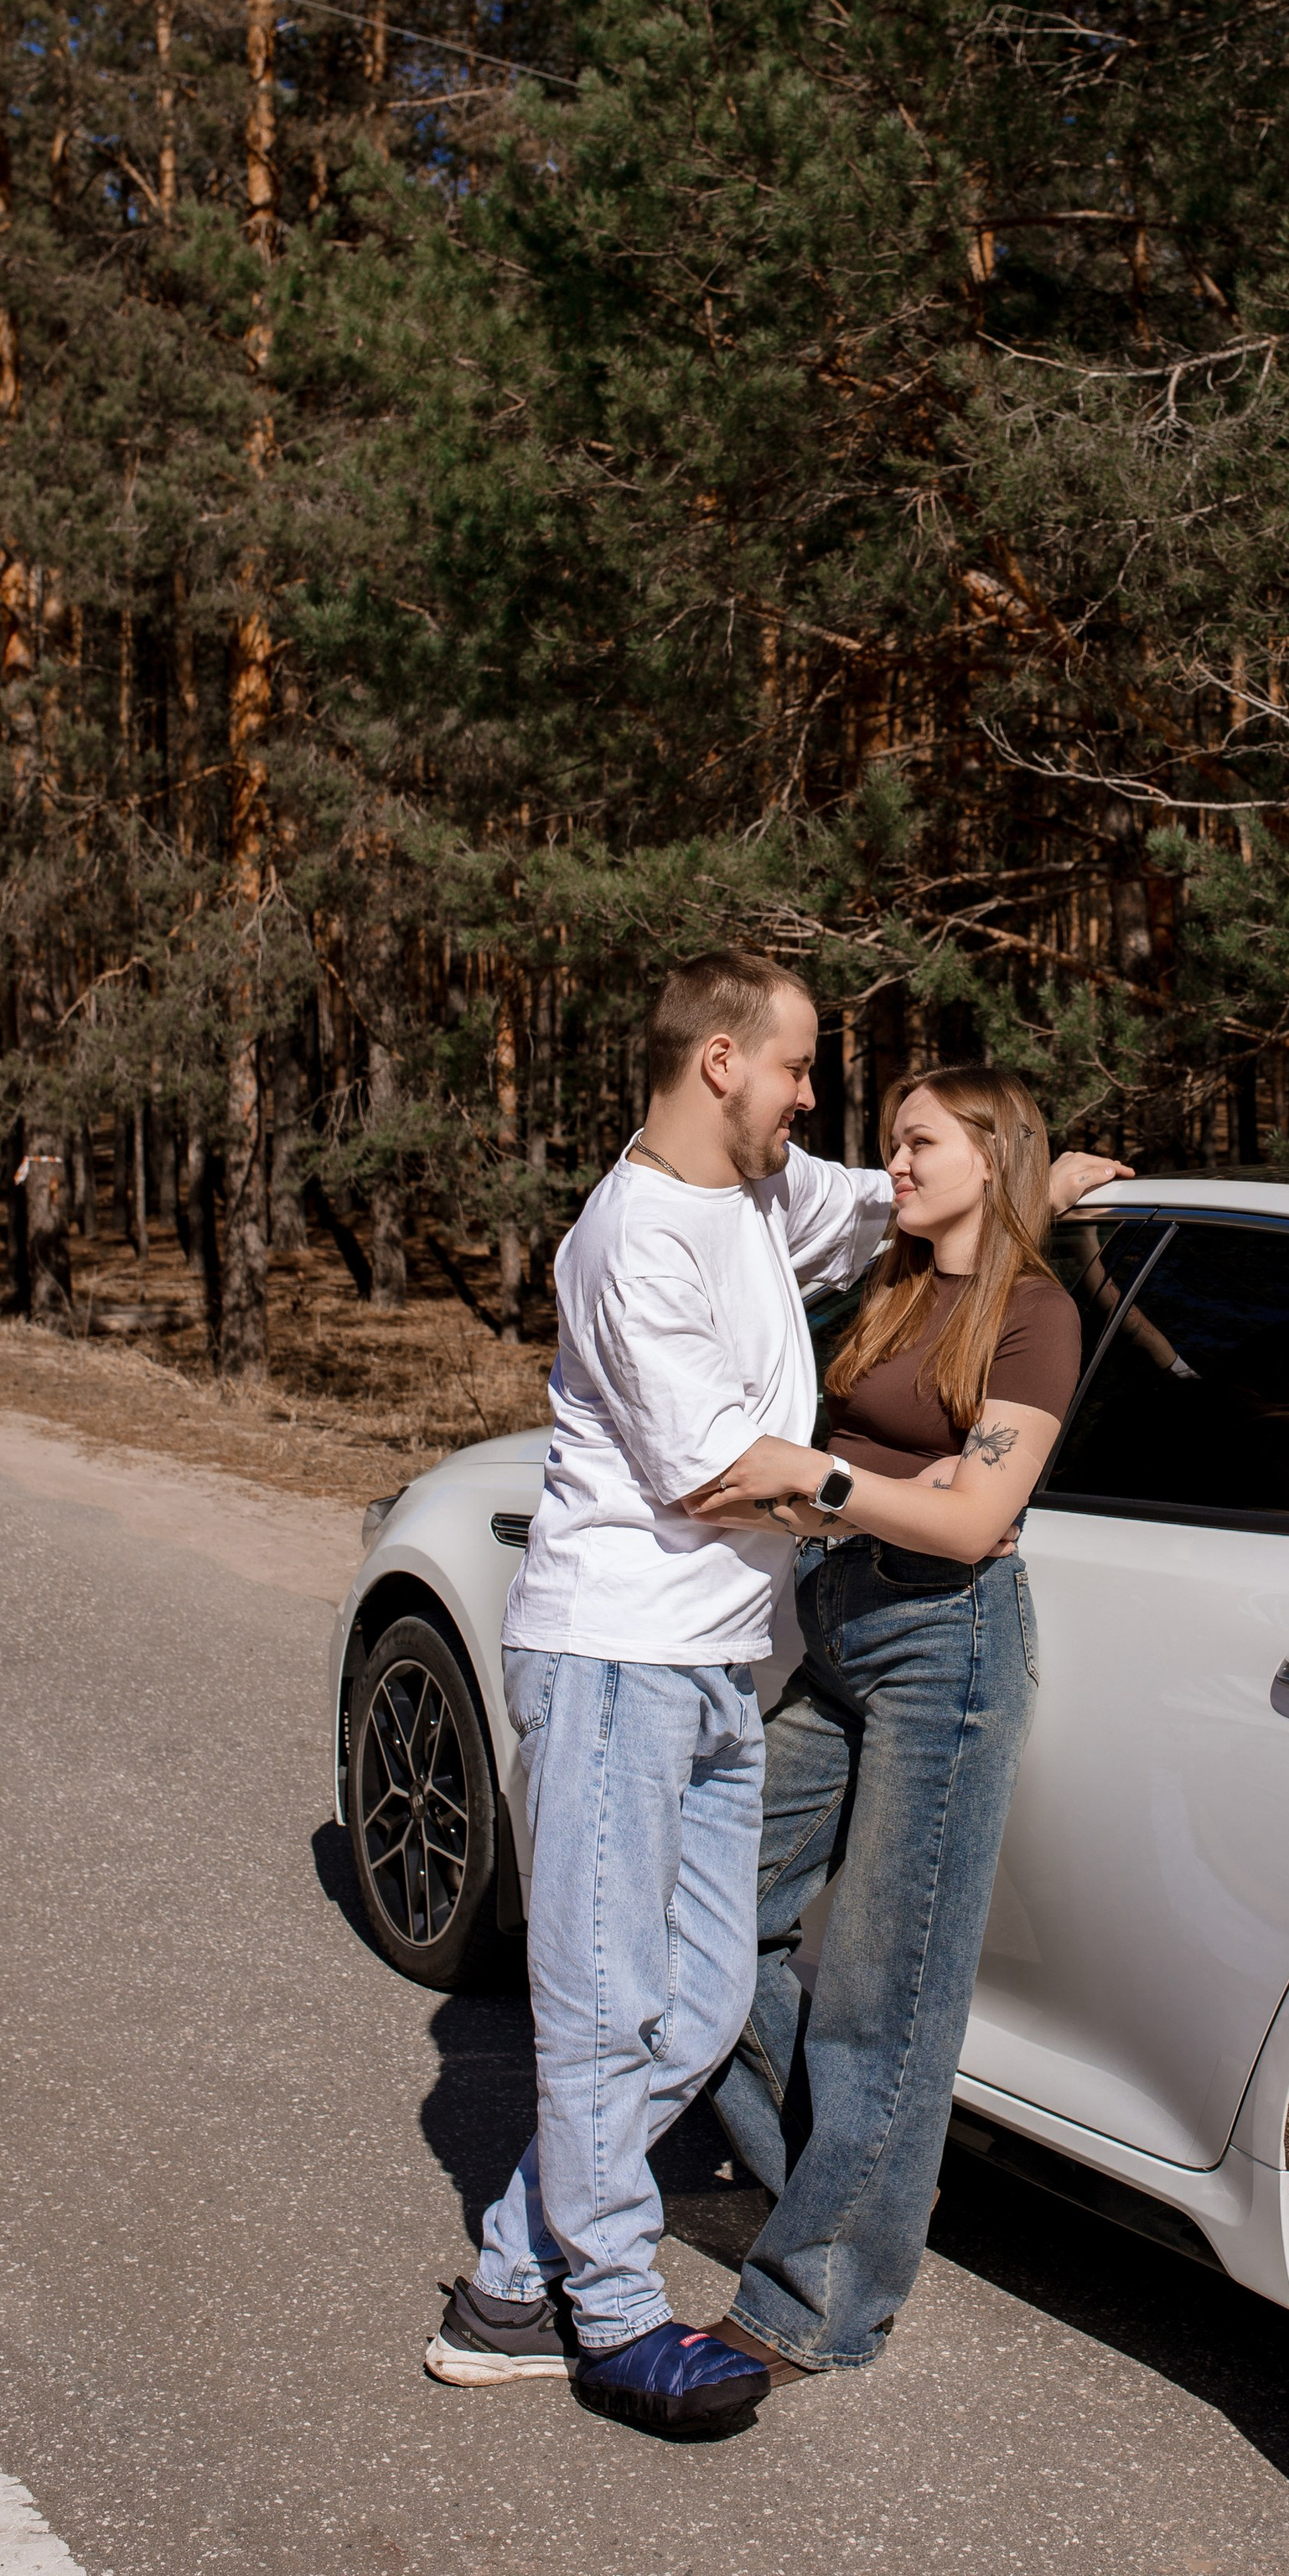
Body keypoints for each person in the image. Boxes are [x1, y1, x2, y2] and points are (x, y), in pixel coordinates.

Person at [422, 959, 1126, 2435]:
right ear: (725, 1063)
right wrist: (889, 1493)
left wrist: (1033, 1181)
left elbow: (899, 1205)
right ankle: (606, 2321)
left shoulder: (761, 1194)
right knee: (615, 2004)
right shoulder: (637, 1244)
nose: (824, 1113)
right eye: (803, 1075)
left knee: (701, 1996)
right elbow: (717, 1470)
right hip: (627, 1652)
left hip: (729, 1659)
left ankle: (511, 2279)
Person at [687, 1069, 1095, 2382]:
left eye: (918, 1145)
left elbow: (973, 1521)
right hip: (848, 1625)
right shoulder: (900, 1289)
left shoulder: (1036, 1314)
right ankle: (853, 2188)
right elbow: (873, 1482)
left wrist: (826, 1478)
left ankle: (820, 2296)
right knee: (707, 1906)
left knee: (882, 1987)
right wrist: (822, 1501)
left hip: (947, 1649)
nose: (894, 1168)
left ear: (990, 1153)